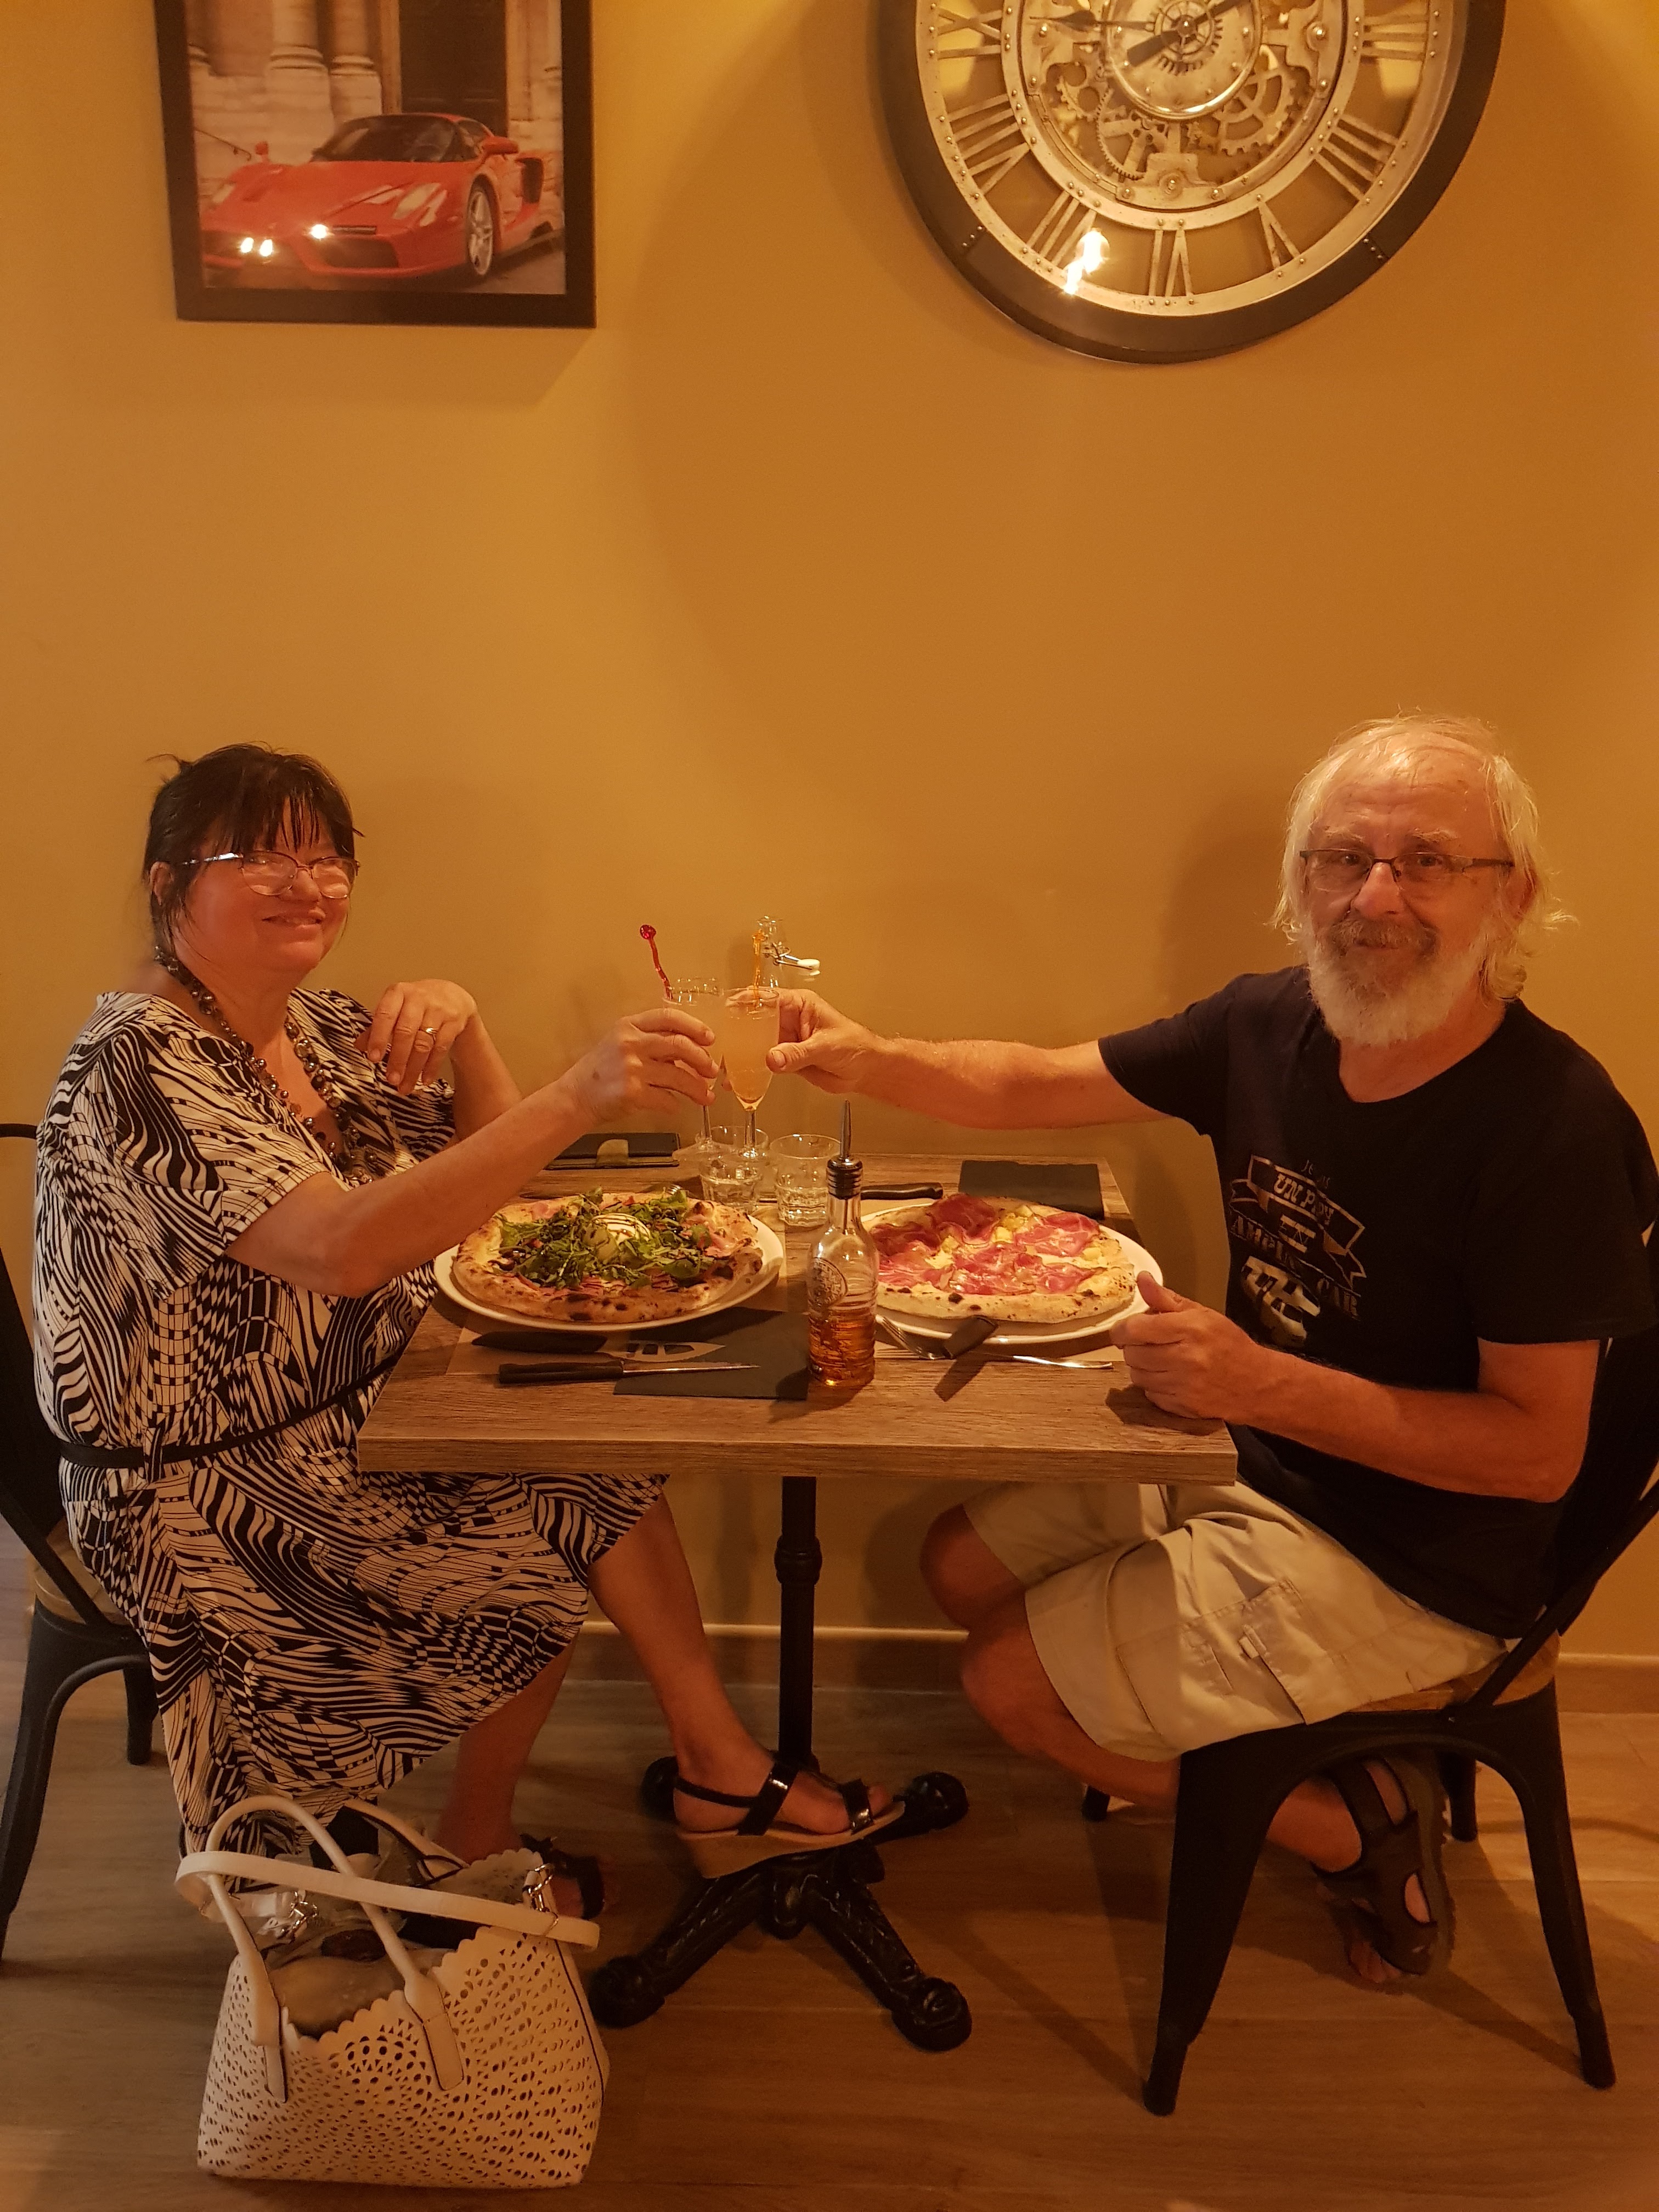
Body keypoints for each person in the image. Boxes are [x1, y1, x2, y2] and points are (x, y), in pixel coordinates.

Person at [763, 715, 1657, 1983]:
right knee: (956, 1562)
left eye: (1427, 862)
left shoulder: (1550, 1125)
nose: (1376, 898)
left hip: (1423, 1560)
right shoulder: (1270, 1021)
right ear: (1301, 885)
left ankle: (1353, 1829)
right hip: (1248, 1458)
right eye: (1342, 859)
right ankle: (1307, 1743)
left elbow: (1536, 1457)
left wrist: (1259, 1383)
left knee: (1007, 1685)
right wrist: (870, 1057)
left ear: (1511, 895)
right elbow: (1035, 1083)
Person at [33, 744, 890, 1900]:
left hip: (357, 1409)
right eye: (258, 857)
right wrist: (578, 1091)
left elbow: (489, 1189)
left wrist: (473, 1026)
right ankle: (510, 1842)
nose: (306, 884)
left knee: (588, 1451)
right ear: (166, 880)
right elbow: (345, 1250)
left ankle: (698, 1771)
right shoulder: (140, 1060)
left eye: (326, 857)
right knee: (545, 1514)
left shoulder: (310, 1025)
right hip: (207, 1486)